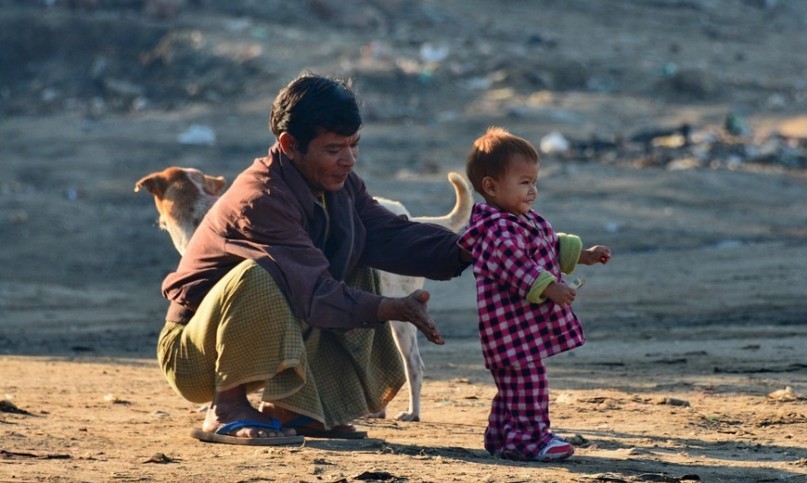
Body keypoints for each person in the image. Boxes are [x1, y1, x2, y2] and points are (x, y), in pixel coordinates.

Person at [157, 72, 471, 444]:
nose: (349, 160)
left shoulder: (338, 186)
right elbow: (314, 291)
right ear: (290, 145)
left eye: (354, 146)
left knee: (356, 260)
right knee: (261, 276)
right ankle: (227, 407)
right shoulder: (262, 198)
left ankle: (297, 410)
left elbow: (392, 234)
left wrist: (474, 248)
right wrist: (391, 307)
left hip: (259, 336)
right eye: (334, 149)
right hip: (194, 358)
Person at [457, 127, 611, 461]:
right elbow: (516, 265)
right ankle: (531, 440)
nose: (532, 190)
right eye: (524, 182)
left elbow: (548, 245)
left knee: (513, 389)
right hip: (509, 332)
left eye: (534, 182)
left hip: (518, 333)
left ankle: (501, 438)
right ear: (491, 186)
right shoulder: (496, 230)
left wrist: (583, 254)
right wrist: (549, 287)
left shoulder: (519, 220)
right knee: (529, 384)